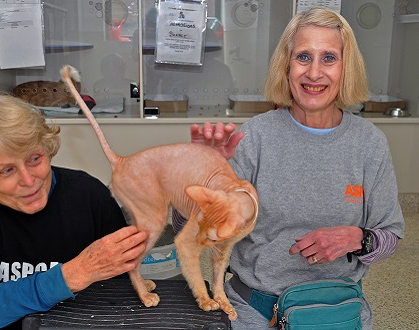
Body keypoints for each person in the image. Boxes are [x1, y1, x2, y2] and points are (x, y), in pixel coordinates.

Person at [172, 7, 404, 329]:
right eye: (303, 57)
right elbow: (189, 228)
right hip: (254, 313)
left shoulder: (370, 144)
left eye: (329, 58)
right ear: (286, 65)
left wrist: (359, 238)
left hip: (337, 311)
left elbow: (390, 236)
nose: (314, 73)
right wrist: (198, 176)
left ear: (346, 68)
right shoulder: (252, 138)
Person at [0, 95, 149, 329]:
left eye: (35, 159)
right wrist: (72, 274)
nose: (29, 180)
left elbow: (120, 295)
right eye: (7, 170)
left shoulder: (90, 196)